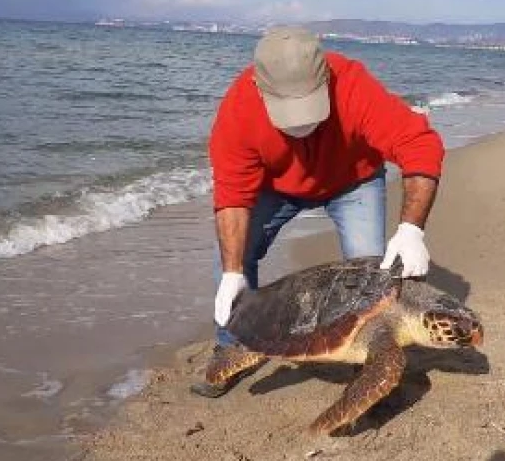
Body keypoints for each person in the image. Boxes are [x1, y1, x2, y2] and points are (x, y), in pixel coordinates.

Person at [190, 25, 446, 398]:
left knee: (373, 275)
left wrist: (411, 230)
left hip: (353, 181)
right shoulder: (239, 110)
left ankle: (370, 354)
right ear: (260, 89)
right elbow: (232, 197)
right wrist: (232, 273)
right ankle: (232, 346)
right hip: (275, 188)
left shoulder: (353, 84)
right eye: (288, 113)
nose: (301, 124)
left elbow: (419, 143)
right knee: (231, 261)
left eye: (310, 107)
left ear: (326, 77)